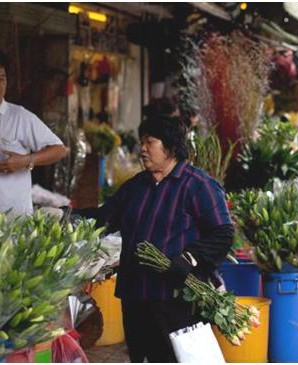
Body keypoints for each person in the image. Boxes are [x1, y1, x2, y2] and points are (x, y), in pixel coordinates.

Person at [74, 115, 234, 362]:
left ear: (170, 146)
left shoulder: (198, 185)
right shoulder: (136, 186)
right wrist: (69, 217)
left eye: (150, 142)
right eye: (142, 142)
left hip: (175, 299)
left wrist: (190, 258)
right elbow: (105, 217)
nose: (143, 149)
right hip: (135, 295)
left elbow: (223, 233)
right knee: (141, 357)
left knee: (174, 358)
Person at [0, 51, 67, 215]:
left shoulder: (20, 116)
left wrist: (26, 160)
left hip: (14, 220)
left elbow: (59, 149)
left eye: (2, 78)